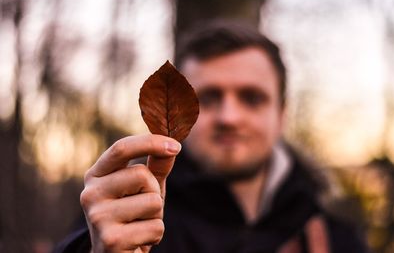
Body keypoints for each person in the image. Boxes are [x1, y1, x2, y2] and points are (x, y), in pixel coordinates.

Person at [55, 21, 369, 253]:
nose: (229, 117)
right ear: (176, 109)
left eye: (251, 98)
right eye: (207, 98)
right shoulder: (122, 221)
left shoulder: (337, 239)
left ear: (282, 115)